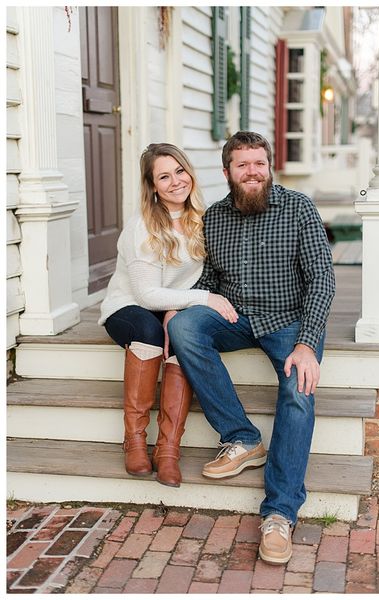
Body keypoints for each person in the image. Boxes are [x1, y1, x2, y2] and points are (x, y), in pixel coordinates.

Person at [167, 131, 335, 565]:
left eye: (259, 163)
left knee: (299, 389)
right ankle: (242, 438)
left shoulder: (298, 207)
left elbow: (322, 278)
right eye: (243, 165)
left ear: (269, 165)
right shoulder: (215, 217)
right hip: (235, 316)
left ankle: (279, 513)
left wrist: (308, 343)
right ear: (227, 172)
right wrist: (182, 306)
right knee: (185, 327)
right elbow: (209, 282)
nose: (253, 172)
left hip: (286, 321)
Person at [98, 143, 237, 487]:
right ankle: (134, 439)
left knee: (183, 335)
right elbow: (146, 294)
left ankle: (168, 449)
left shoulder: (202, 218)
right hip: (129, 307)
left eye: (179, 171)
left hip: (173, 305)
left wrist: (182, 307)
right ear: (153, 187)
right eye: (164, 176)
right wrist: (202, 298)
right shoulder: (142, 226)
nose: (176, 181)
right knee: (147, 331)